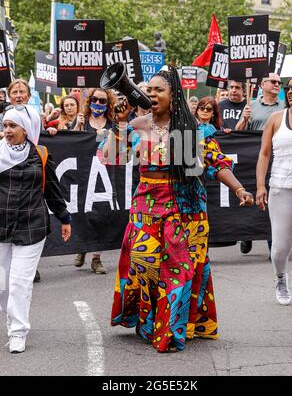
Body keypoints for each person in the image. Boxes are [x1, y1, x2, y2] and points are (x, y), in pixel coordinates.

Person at [102, 66, 254, 353]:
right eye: (149, 90)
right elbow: (113, 157)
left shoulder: (192, 128)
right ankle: (148, 323)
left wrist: (239, 189)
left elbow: (216, 162)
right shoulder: (137, 125)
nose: (152, 94)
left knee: (178, 271)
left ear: (174, 96)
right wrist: (120, 123)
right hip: (146, 205)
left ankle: (170, 331)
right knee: (143, 261)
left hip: (185, 210)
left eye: (159, 89)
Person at [0, 105, 71, 353]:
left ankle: (18, 332)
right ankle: (11, 317)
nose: (7, 131)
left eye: (12, 126)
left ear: (26, 129)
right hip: (1, 227)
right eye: (5, 125)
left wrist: (64, 218)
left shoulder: (40, 154)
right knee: (2, 285)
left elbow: (52, 189)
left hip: (31, 227)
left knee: (20, 283)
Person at [256, 75, 292, 318]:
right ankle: (280, 277)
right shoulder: (275, 119)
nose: (289, 91)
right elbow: (264, 155)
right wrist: (261, 186)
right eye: (288, 87)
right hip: (281, 187)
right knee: (280, 248)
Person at [236, 73, 285, 255]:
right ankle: (247, 236)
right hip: (253, 158)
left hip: (276, 157)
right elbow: (238, 132)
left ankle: (272, 243)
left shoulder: (285, 106)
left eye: (279, 82)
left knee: (273, 199)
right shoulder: (252, 106)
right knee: (253, 195)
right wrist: (244, 119)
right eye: (273, 82)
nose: (277, 85)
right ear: (263, 84)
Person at [72, 88, 116, 274]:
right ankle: (82, 246)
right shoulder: (82, 120)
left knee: (102, 214)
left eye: (102, 100)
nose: (98, 103)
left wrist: (108, 135)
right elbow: (71, 143)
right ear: (90, 101)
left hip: (104, 174)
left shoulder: (112, 124)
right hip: (84, 173)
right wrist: (77, 127)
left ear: (108, 104)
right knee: (83, 210)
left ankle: (96, 258)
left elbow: (119, 148)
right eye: (95, 99)